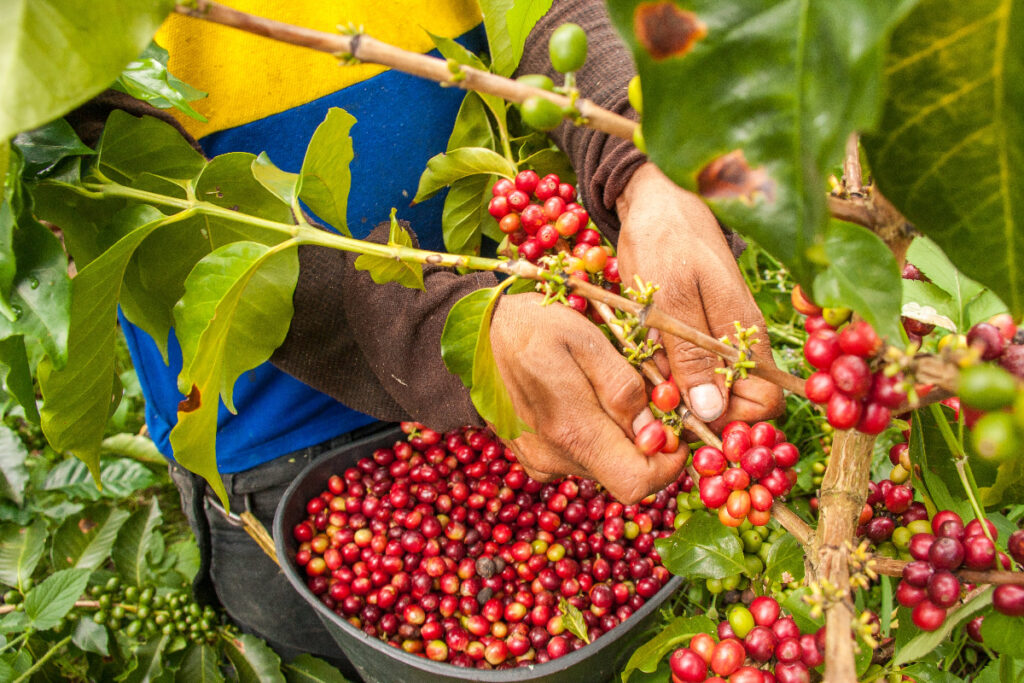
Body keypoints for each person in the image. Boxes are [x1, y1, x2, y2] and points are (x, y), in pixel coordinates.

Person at [107, 0, 783, 667]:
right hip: (275, 430)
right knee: (320, 645)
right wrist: (452, 331)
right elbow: (154, 210)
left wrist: (644, 159)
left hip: (535, 372)